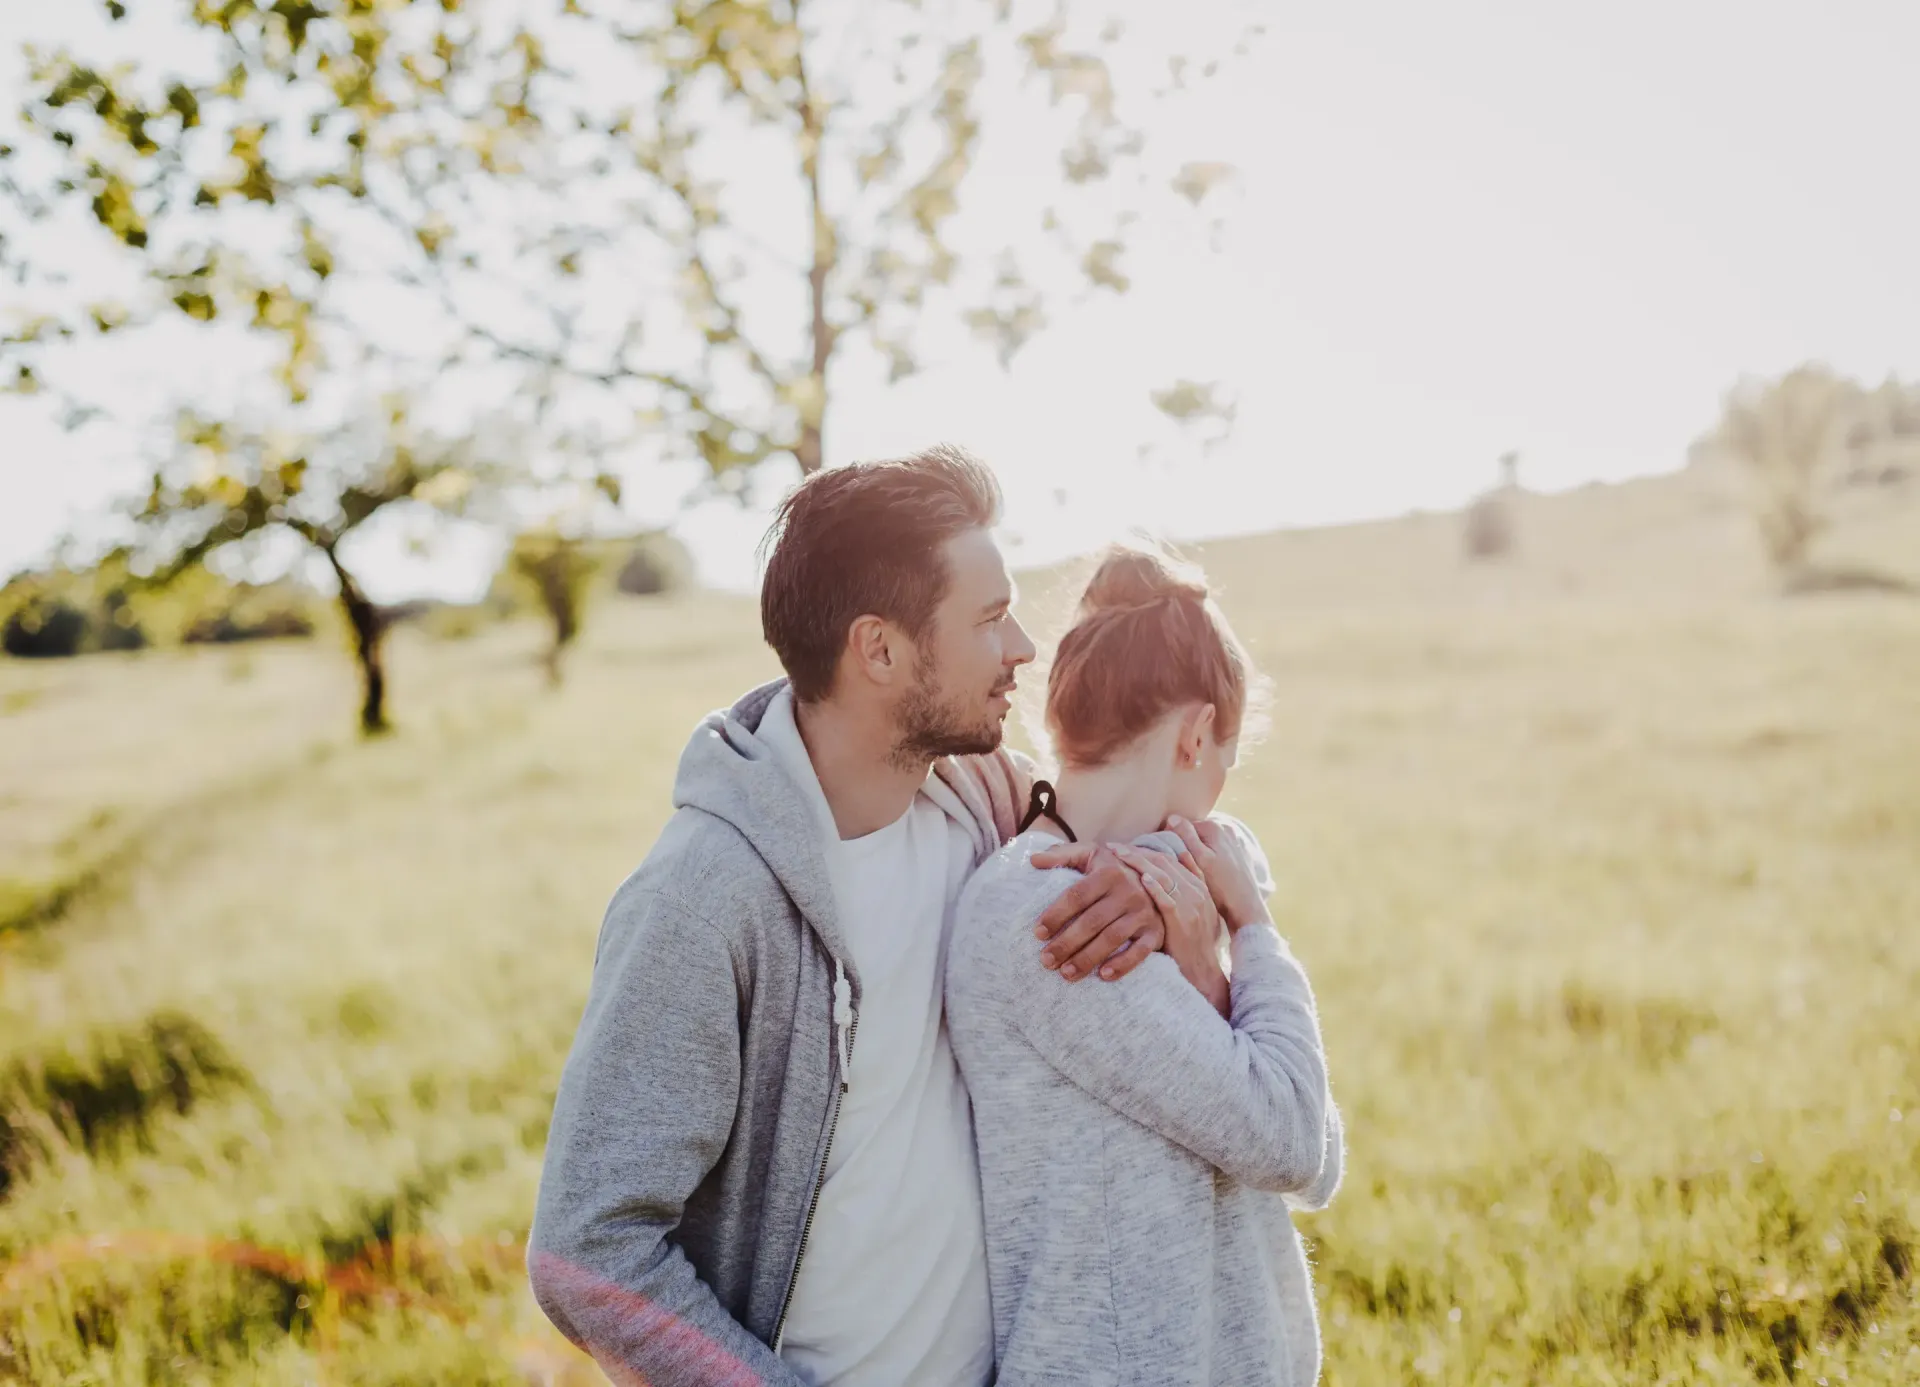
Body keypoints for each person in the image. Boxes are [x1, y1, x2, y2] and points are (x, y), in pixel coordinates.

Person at [527, 446, 1179, 1386]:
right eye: (990, 620)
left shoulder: (984, 804)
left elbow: (1161, 808)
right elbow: (585, 1250)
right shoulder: (703, 901)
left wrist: (1155, 884)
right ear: (879, 649)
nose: (1024, 649)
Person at [947, 543, 1346, 1387]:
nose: (1221, 804)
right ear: (1198, 734)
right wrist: (1254, 924)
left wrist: (1211, 966)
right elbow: (1291, 1143)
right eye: (1225, 765)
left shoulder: (1162, 896)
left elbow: (1318, 1152)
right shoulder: (1056, 913)